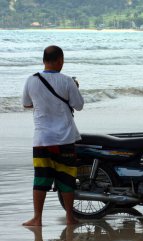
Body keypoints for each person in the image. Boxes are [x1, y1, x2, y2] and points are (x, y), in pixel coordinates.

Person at [22, 45, 84, 226]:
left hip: (42, 140)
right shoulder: (67, 81)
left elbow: (26, 104)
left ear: (43, 60)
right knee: (67, 178)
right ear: (60, 60)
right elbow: (78, 105)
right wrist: (75, 88)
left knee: (41, 179)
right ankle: (70, 218)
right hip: (65, 139)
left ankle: (37, 218)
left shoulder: (31, 80)